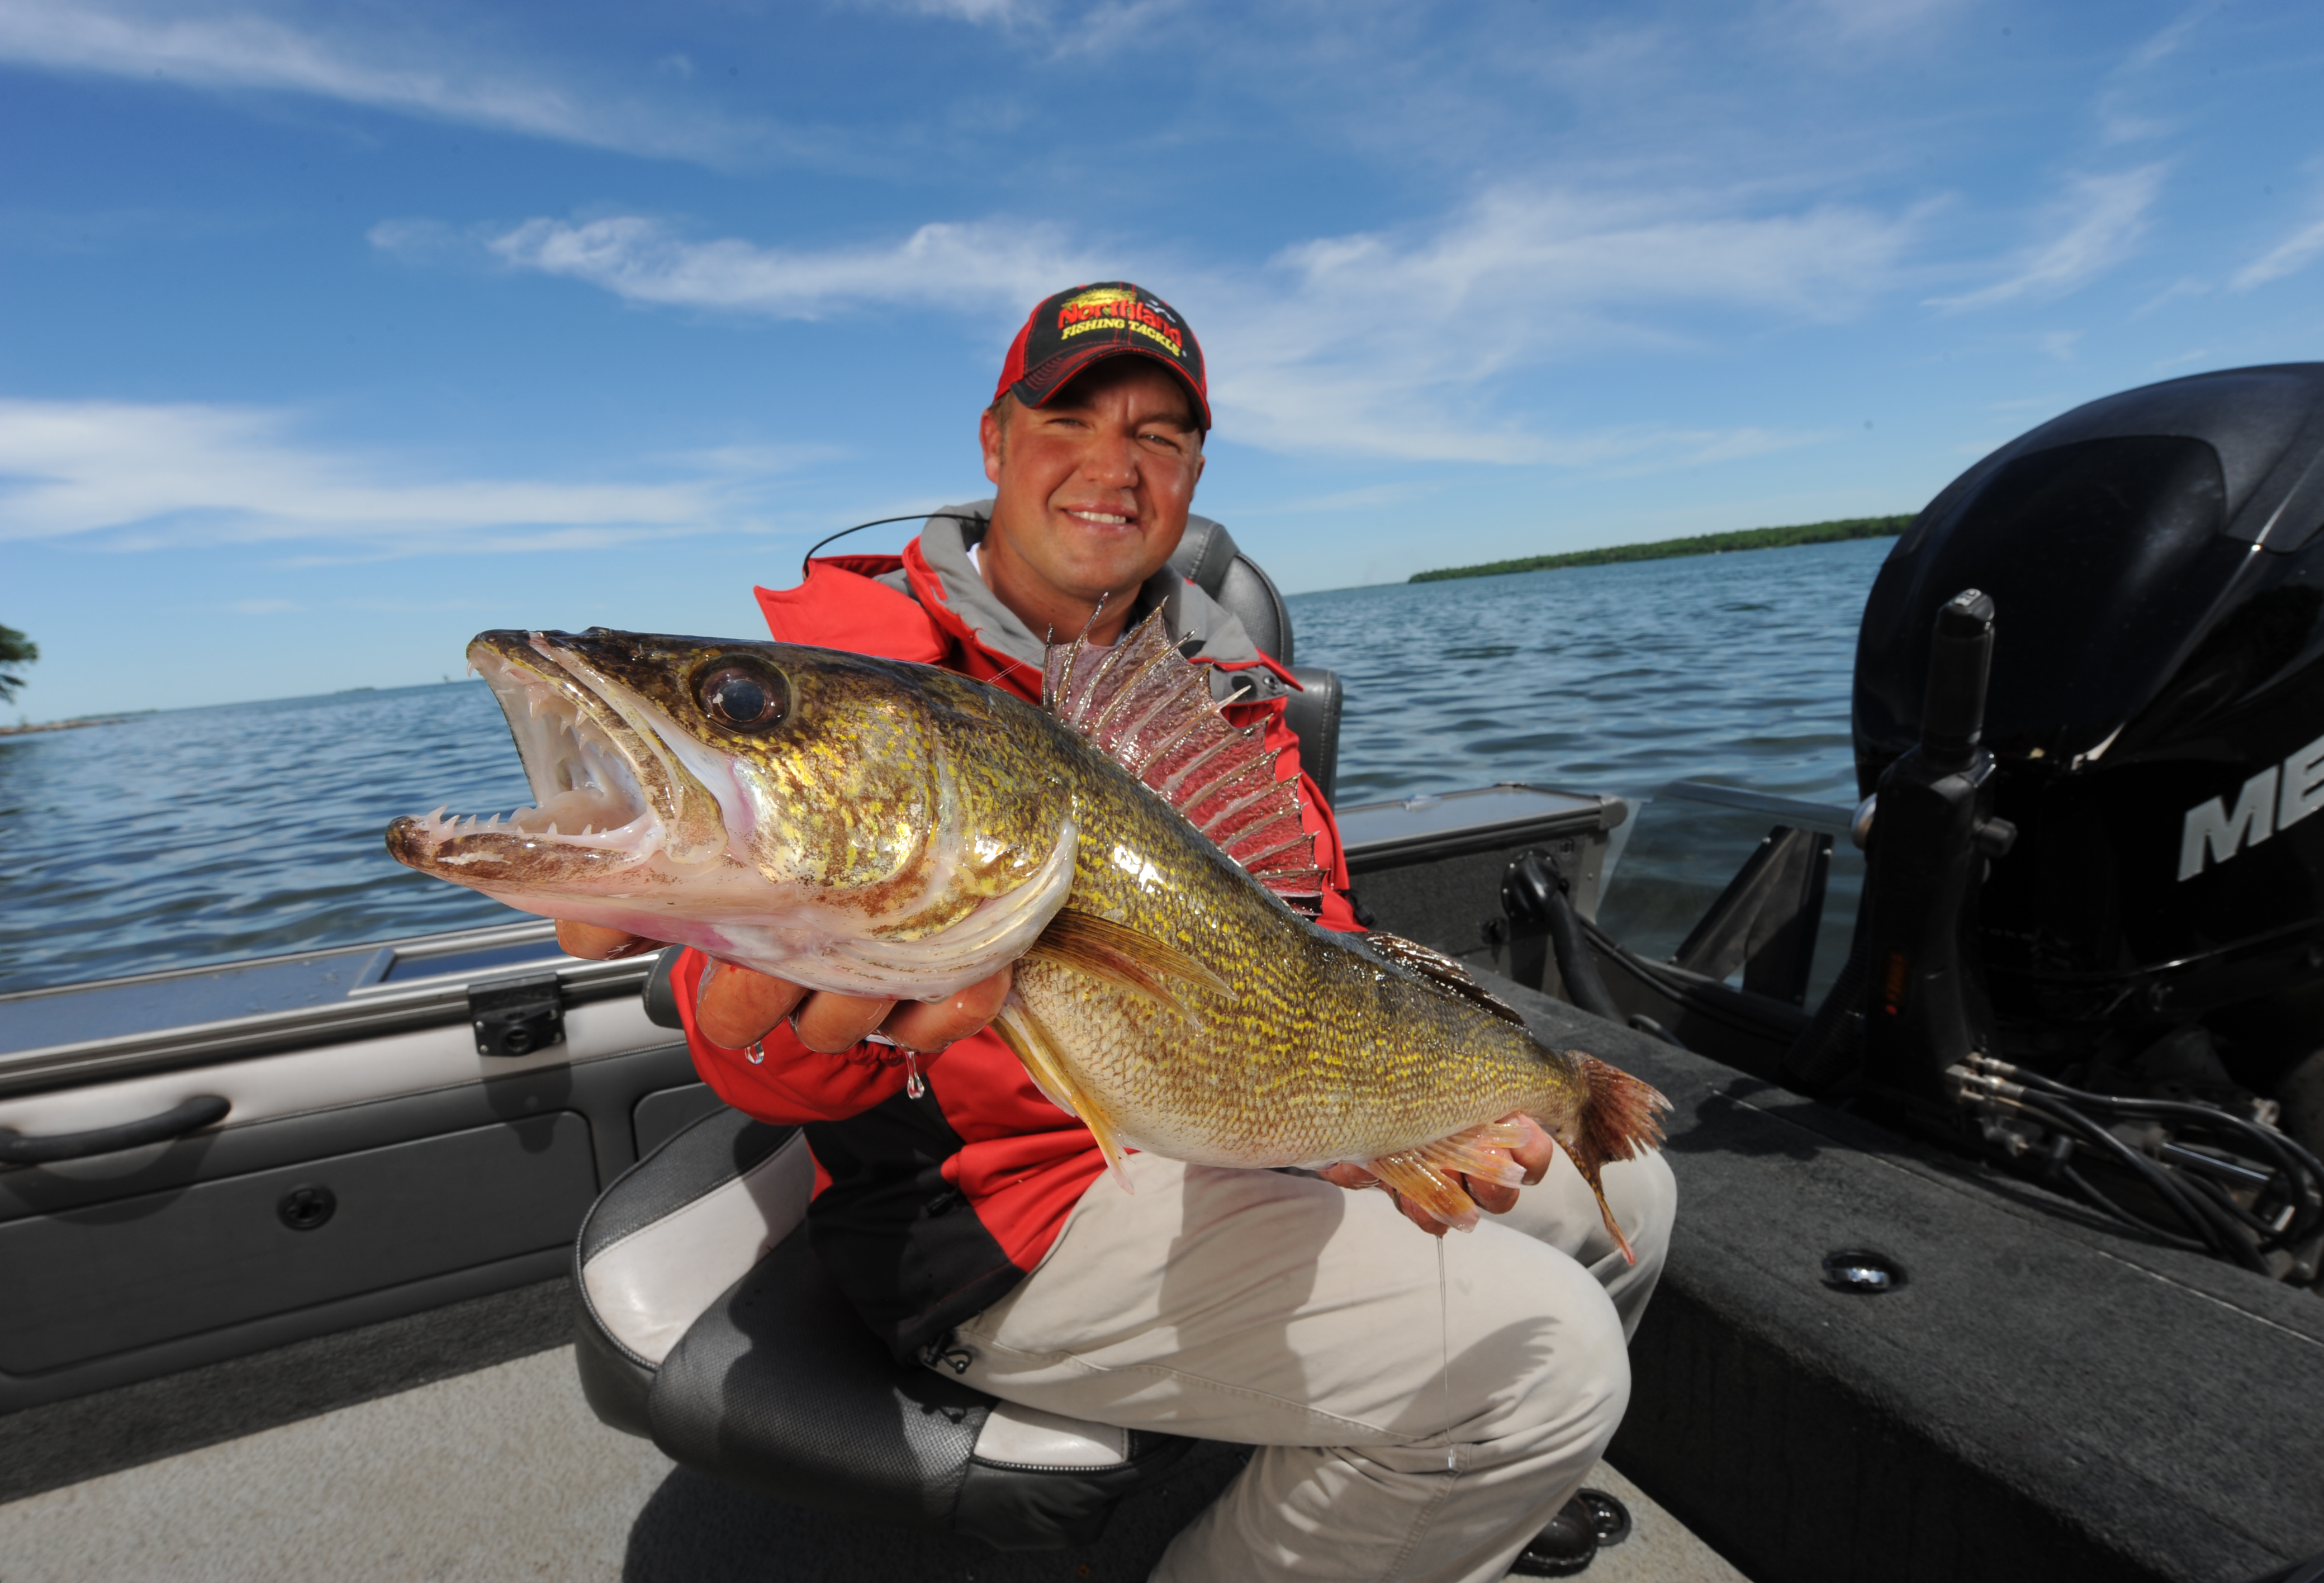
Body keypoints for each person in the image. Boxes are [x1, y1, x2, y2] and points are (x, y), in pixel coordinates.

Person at [551, 282, 1677, 1583]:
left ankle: (1443, 1500)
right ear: (994, 440)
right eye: (1069, 413)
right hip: (997, 1223)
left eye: (1158, 434)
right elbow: (753, 1045)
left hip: (1213, 1134)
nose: (1112, 462)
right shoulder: (870, 685)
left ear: (1194, 473)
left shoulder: (1223, 698)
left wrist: (1356, 1124)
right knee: (1549, 1362)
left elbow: (1319, 947)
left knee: (1631, 1184)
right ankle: (1456, 1460)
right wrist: (765, 1011)